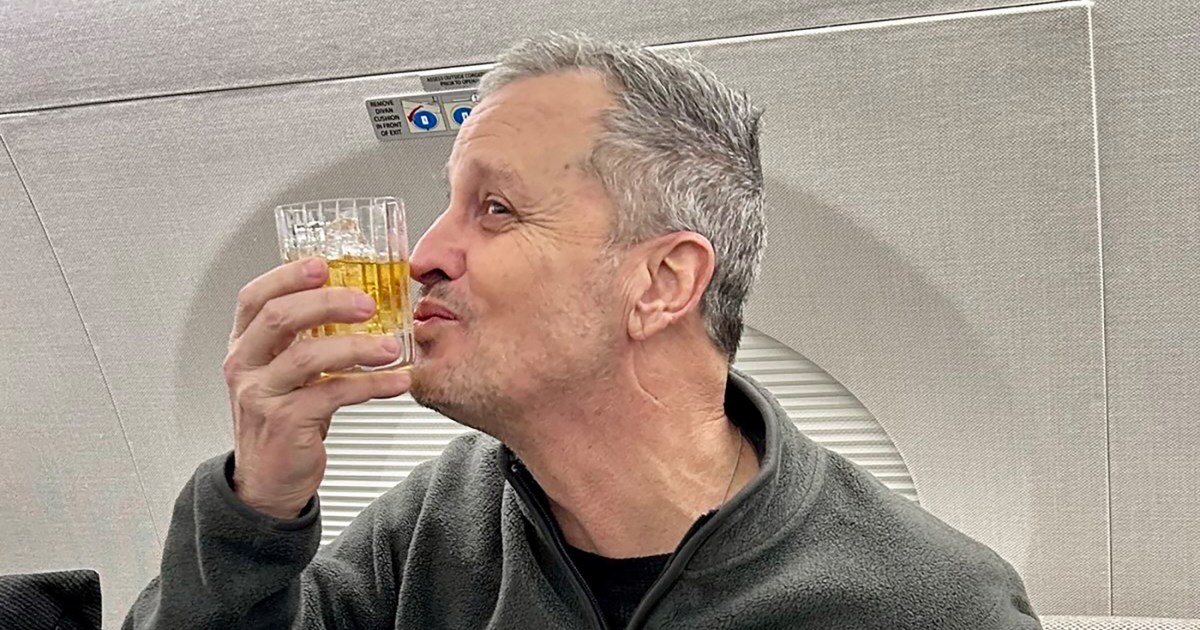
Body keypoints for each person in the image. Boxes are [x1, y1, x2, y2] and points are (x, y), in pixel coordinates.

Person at [124, 32, 1040, 630]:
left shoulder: (933, 604)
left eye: (495, 208)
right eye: (447, 206)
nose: (424, 256)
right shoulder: (431, 532)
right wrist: (256, 508)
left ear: (661, 283)